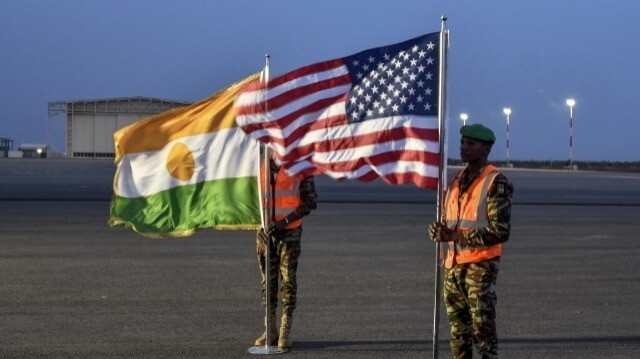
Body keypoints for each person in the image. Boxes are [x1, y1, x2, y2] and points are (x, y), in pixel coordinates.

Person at [428, 124, 514, 359]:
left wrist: (454, 236)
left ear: (485, 149)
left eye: (471, 143)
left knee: (482, 332)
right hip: (453, 267)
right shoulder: (455, 179)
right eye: (463, 142)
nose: (464, 147)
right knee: (458, 332)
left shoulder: (496, 183)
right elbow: (452, 220)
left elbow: (500, 231)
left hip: (480, 268)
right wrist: (439, 231)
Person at [254, 156, 317, 349]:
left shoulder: (301, 165)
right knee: (268, 281)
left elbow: (310, 202)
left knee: (288, 280)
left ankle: (284, 330)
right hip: (265, 232)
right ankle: (270, 328)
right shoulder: (260, 163)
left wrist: (285, 221)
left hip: (289, 233)